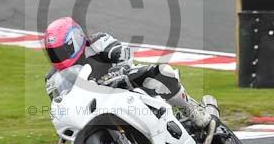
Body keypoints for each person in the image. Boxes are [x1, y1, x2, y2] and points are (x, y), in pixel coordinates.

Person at [42, 17, 214, 130]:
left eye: (61, 50)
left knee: (160, 72)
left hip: (123, 83)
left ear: (75, 39)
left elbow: (122, 52)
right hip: (96, 106)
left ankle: (191, 109)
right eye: (53, 52)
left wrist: (119, 65)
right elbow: (60, 104)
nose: (58, 56)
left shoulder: (97, 42)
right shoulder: (53, 78)